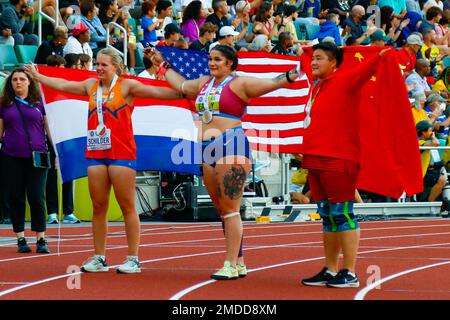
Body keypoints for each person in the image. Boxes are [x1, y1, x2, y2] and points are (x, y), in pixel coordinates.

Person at [147, 44, 301, 279]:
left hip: (232, 145)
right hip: (206, 149)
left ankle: (229, 263)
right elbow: (180, 85)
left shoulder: (240, 83)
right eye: (210, 59)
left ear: (229, 62)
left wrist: (296, 71)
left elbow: (274, 82)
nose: (212, 63)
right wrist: (160, 64)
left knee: (230, 210)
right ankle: (238, 262)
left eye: (217, 59)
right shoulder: (202, 83)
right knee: (222, 211)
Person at [24, 48, 184, 273]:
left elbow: (159, 93)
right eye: (96, 64)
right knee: (99, 206)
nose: (98, 68)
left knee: (128, 206)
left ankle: (133, 258)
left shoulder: (127, 86)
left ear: (115, 67)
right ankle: (99, 257)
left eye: (103, 65)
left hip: (121, 153)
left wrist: (184, 91)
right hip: (96, 153)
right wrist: (39, 77)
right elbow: (63, 85)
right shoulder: (90, 85)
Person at [300, 42, 391, 288]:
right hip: (315, 159)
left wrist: (378, 56)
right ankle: (330, 270)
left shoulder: (346, 80)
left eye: (319, 58)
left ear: (333, 62)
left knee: (343, 215)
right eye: (313, 58)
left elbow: (365, 71)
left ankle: (349, 272)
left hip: (338, 160)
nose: (314, 62)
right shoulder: (317, 87)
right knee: (327, 217)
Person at [0, 67, 52, 254]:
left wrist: (57, 153)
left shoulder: (39, 103)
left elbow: (48, 129)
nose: (18, 82)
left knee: (37, 197)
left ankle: (41, 238)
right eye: (14, 80)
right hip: (11, 157)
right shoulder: (4, 104)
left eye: (22, 79)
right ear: (10, 83)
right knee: (16, 198)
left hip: (37, 157)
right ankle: (20, 238)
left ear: (30, 82)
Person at [417, 120, 447, 202]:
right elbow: (436, 143)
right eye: (430, 130)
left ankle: (429, 201)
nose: (431, 132)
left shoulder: (422, 141)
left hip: (423, 172)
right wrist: (433, 137)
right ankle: (430, 203)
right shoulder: (419, 142)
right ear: (423, 132)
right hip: (418, 175)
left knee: (442, 178)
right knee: (442, 179)